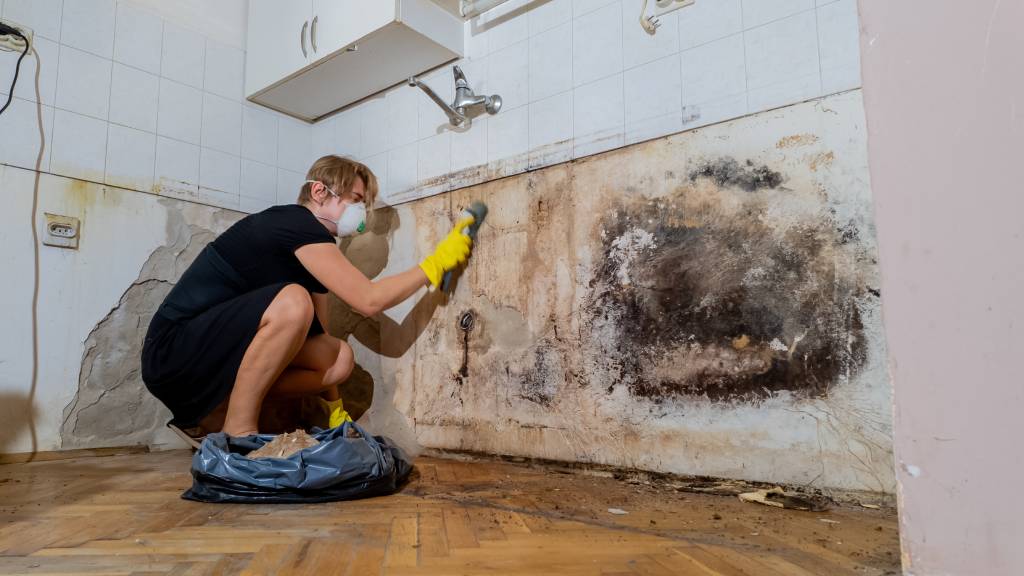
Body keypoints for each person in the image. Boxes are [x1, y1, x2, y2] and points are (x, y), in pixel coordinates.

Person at [141, 155, 473, 440]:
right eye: (356, 200)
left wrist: (334, 410)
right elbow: (369, 300)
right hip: (172, 353)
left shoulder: (310, 255)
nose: (362, 213)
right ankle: (237, 434)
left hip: (211, 356)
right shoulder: (295, 223)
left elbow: (321, 340)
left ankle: (213, 415)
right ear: (319, 191)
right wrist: (435, 264)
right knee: (293, 302)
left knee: (338, 356)